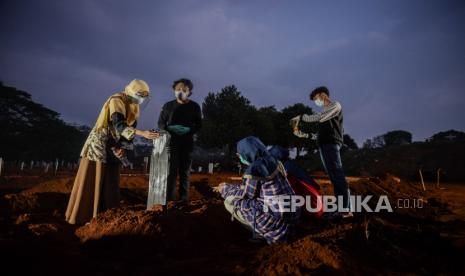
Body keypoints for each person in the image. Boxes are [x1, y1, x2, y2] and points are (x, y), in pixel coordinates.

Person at [66, 79, 159, 225]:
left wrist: (123, 148)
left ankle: (108, 215)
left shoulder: (134, 106)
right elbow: (120, 125)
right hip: (100, 143)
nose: (141, 98)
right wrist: (143, 134)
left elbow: (127, 133)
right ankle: (85, 216)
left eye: (144, 96)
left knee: (111, 178)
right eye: (140, 94)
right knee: (95, 176)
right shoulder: (117, 100)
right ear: (132, 91)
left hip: (114, 144)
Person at [213, 136, 301, 244]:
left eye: (240, 154)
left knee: (230, 201)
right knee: (254, 201)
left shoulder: (254, 169)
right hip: (293, 218)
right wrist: (229, 186)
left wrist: (224, 190)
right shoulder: (274, 161)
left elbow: (246, 197)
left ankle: (260, 233)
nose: (239, 156)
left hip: (276, 223)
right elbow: (252, 188)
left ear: (246, 153)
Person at [291, 86, 353, 219]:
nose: (316, 102)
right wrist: (301, 134)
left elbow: (320, 117)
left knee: (337, 174)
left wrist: (302, 117)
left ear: (323, 95)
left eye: (316, 99)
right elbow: (318, 135)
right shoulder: (325, 115)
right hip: (325, 145)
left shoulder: (335, 106)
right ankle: (341, 209)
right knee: (334, 177)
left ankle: (346, 210)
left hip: (331, 145)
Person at [158, 78, 202, 202]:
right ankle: (169, 200)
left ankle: (183, 199)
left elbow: (199, 125)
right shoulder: (168, 106)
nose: (180, 91)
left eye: (184, 90)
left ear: (190, 93)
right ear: (174, 91)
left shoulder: (195, 107)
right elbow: (160, 123)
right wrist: (169, 128)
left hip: (187, 143)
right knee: (171, 171)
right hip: (171, 142)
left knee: (185, 172)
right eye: (178, 89)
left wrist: (188, 130)